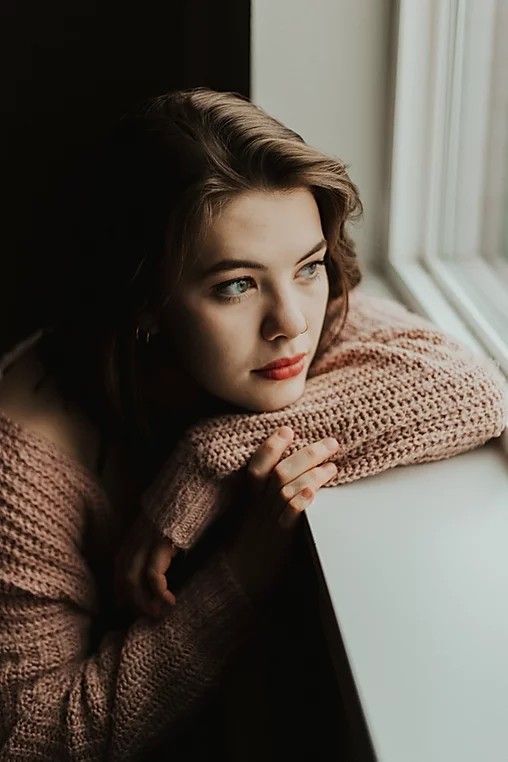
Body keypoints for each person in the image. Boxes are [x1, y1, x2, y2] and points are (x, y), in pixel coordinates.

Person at [0, 87, 505, 761]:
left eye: (308, 267)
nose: (291, 322)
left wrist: (208, 457)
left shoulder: (290, 327)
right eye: (237, 285)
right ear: (145, 301)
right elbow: (38, 738)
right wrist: (244, 571)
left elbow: (468, 385)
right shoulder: (20, 466)